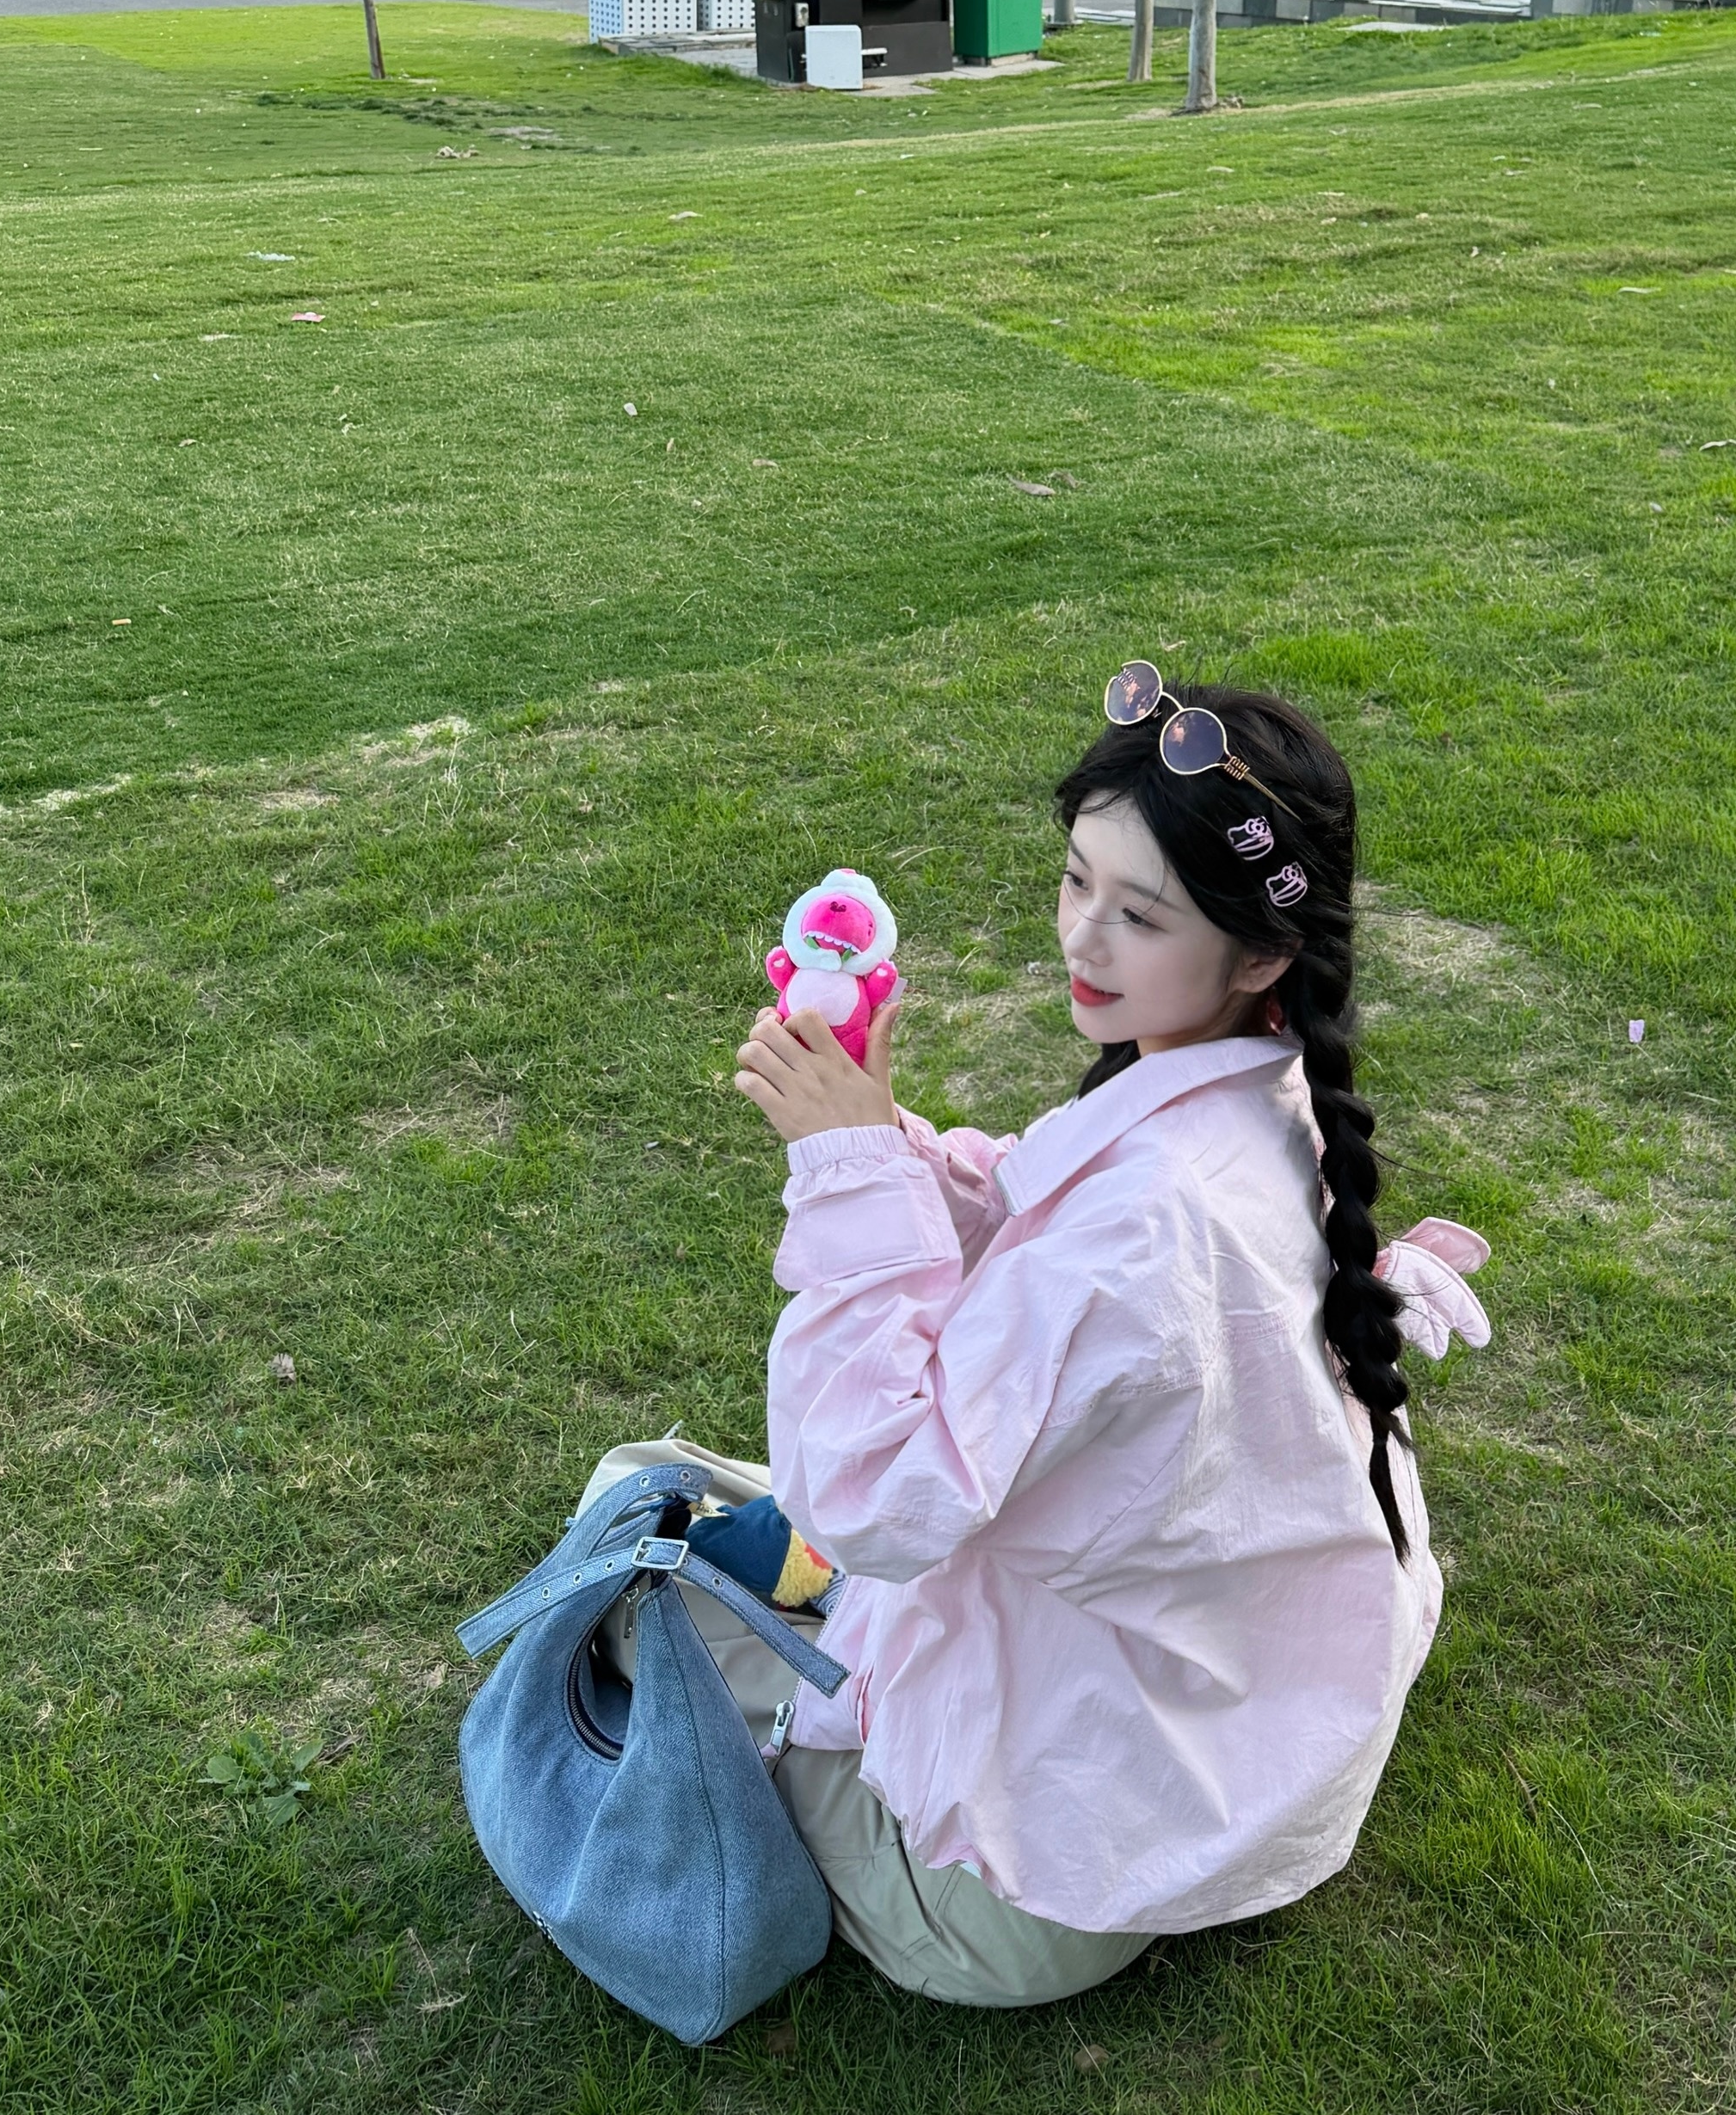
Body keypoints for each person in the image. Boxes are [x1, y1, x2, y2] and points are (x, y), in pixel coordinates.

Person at [578, 666, 1492, 2011]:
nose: (1084, 938)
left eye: (1139, 914)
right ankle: (771, 1592)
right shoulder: (1264, 1103)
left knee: (620, 1545)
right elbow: (1033, 1230)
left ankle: (755, 1658)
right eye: (1076, 880)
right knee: (679, 1507)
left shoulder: (1145, 1228)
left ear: (1262, 954)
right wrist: (879, 1137)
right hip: (1229, 1766)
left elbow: (875, 1490)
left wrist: (848, 1173)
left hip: (1022, 1891)